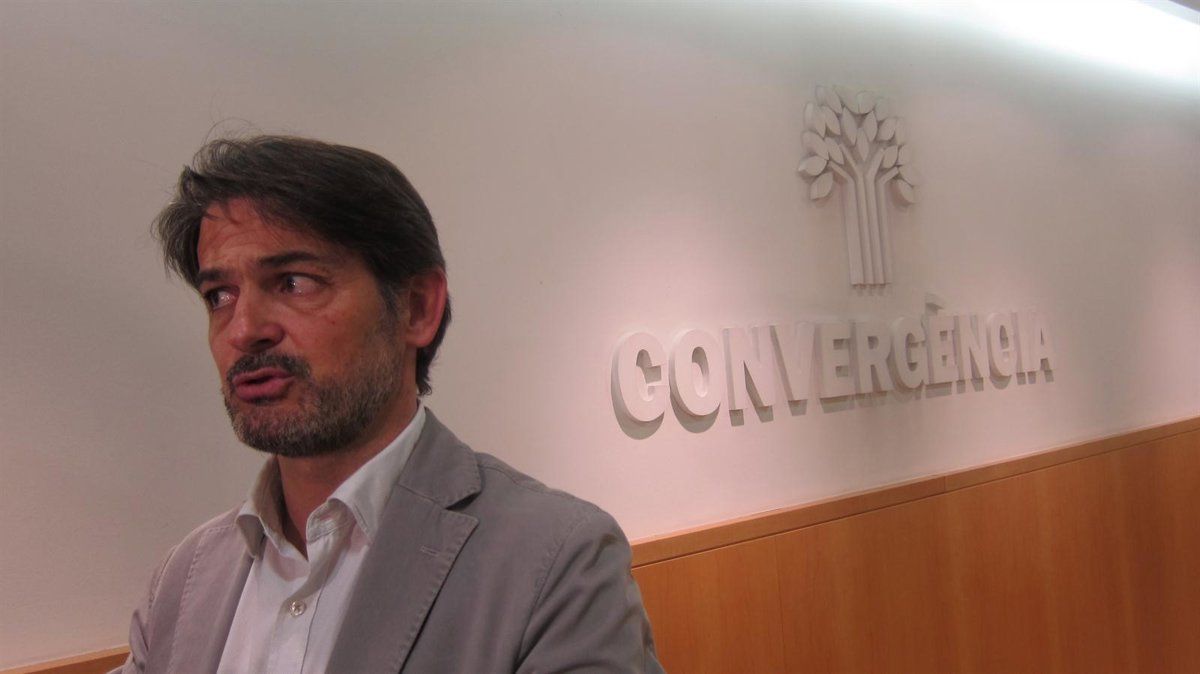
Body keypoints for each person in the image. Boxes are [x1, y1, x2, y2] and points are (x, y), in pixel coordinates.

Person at [115, 135, 663, 673]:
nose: (244, 329)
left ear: (417, 308)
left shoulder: (557, 564)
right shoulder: (184, 582)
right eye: (220, 295)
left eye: (294, 282)